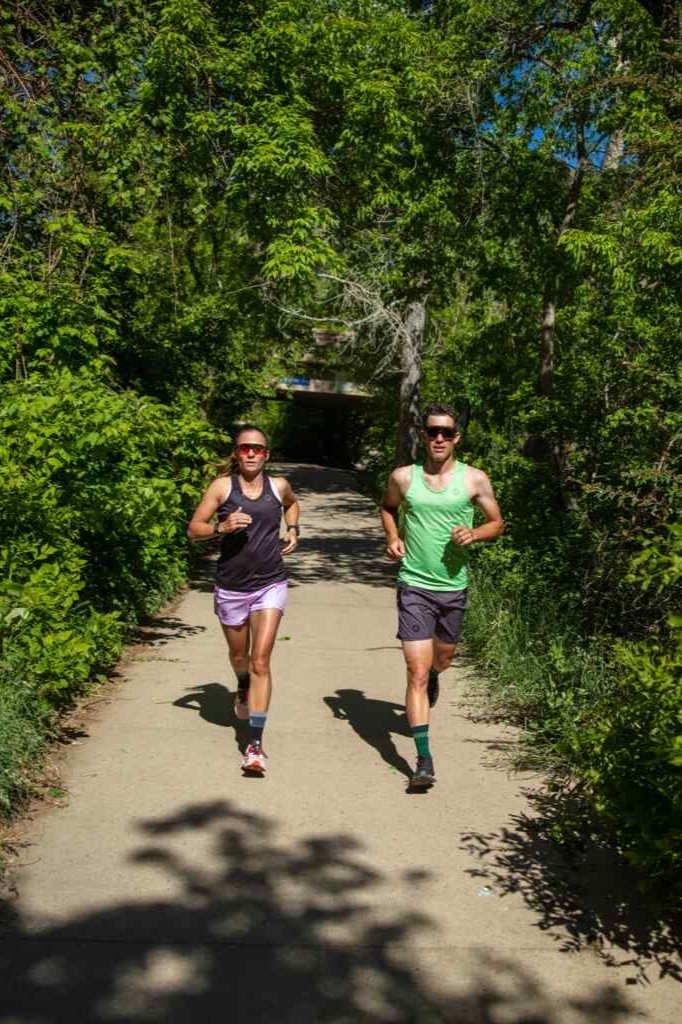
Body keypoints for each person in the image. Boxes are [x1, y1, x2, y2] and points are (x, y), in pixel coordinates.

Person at [380, 403, 504, 788]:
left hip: (453, 586)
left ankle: (437, 673)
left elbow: (497, 522)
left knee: (442, 659)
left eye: (446, 433)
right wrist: (393, 536)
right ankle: (423, 759)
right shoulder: (404, 477)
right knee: (414, 670)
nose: (438, 438)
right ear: (423, 435)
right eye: (432, 431)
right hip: (414, 583)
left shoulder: (474, 480)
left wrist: (476, 533)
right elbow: (387, 508)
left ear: (456, 438)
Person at [187, 425, 300, 775]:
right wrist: (221, 528)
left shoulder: (278, 486)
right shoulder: (223, 487)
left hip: (271, 583)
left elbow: (293, 504)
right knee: (240, 656)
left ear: (267, 454)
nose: (251, 453)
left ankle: (254, 745)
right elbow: (194, 530)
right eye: (245, 448)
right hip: (232, 586)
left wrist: (293, 529)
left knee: (261, 660)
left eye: (258, 449)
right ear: (236, 453)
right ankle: (242, 684)